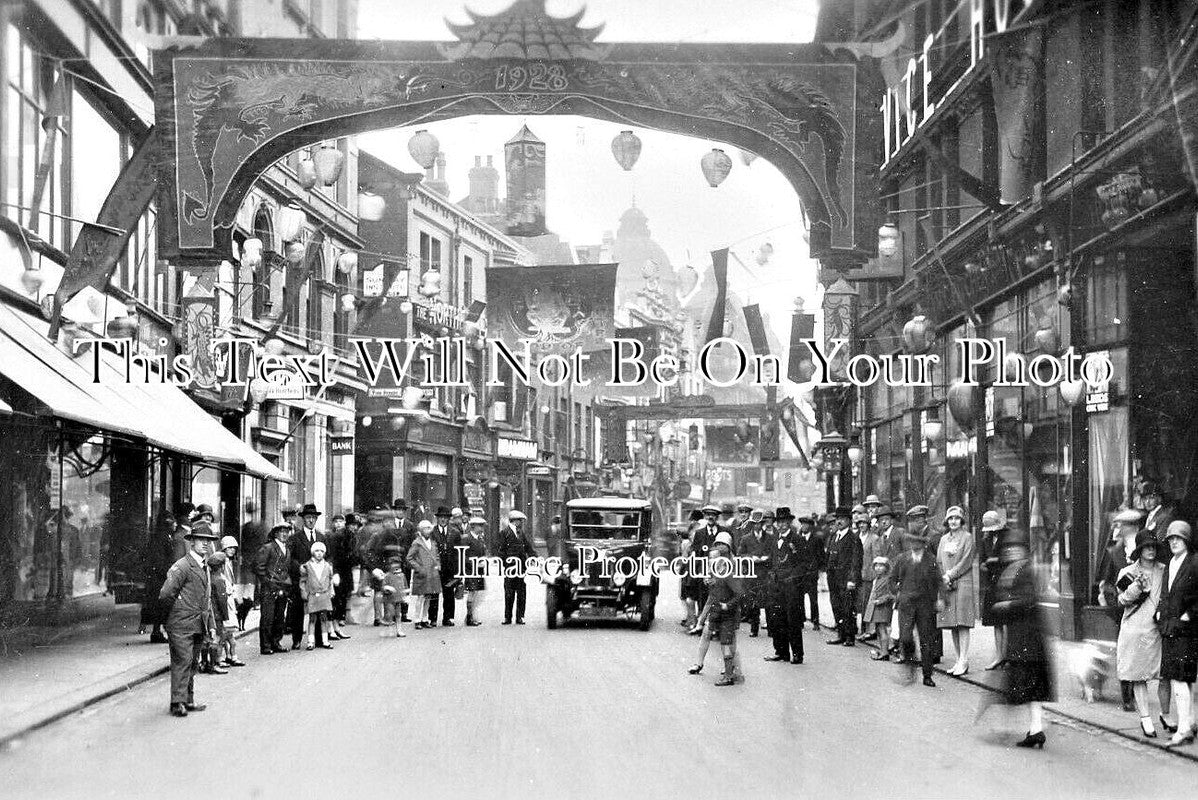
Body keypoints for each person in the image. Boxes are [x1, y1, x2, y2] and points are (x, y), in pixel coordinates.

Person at [988, 526, 1054, 748]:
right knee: (1028, 686)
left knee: (1020, 685)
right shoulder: (1014, 569)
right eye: (1008, 548)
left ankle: (1008, 729)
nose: (1011, 552)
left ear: (1024, 550)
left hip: (1028, 637)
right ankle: (1035, 730)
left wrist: (1005, 605)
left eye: (1015, 548)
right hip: (1023, 637)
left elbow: (1028, 600)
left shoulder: (1025, 570)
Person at [158, 521, 218, 717]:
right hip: (180, 624)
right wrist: (168, 620)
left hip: (198, 623)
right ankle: (177, 702)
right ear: (192, 542)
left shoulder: (205, 566)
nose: (205, 543)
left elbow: (207, 599)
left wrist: (211, 625)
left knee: (192, 662)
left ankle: (188, 700)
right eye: (201, 539)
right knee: (182, 661)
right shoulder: (182, 565)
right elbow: (166, 594)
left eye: (208, 540)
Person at [1116, 530, 1167, 738]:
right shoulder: (1127, 572)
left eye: (1153, 546)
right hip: (1136, 629)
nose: (1151, 550)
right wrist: (1136, 587)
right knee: (1138, 675)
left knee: (1164, 675)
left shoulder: (1164, 570)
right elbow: (1122, 600)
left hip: (1159, 629)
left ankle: (1166, 715)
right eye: (1146, 547)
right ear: (1139, 550)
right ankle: (1145, 718)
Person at [1098, 507, 1148, 710]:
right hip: (1123, 611)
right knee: (1126, 653)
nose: (1118, 529)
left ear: (1133, 527)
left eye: (1122, 525)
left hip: (1145, 609)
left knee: (1141, 653)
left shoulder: (1146, 550)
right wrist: (1116, 602)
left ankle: (1138, 693)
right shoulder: (1114, 553)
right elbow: (1106, 584)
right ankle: (1127, 697)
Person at [1158, 520, 1198, 747]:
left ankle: (1183, 730)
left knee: (1180, 679)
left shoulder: (1194, 563)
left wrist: (1189, 615)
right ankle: (1189, 723)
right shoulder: (1170, 564)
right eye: (1171, 538)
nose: (1174, 542)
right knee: (1180, 678)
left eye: (1178, 538)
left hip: (1187, 630)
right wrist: (1160, 612)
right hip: (1170, 628)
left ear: (1187, 540)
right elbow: (1166, 594)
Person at [892, 528, 943, 688]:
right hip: (906, 605)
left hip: (925, 605)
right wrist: (896, 594)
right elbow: (892, 579)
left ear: (923, 544)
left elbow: (939, 581)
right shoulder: (902, 558)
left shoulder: (930, 559)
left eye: (918, 542)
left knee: (926, 641)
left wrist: (941, 599)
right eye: (912, 541)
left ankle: (927, 675)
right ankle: (910, 665)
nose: (914, 544)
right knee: (905, 638)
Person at [937, 505, 977, 676]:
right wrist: (943, 578)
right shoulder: (944, 539)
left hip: (963, 582)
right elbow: (939, 561)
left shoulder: (968, 537)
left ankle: (964, 659)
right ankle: (958, 659)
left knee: (962, 622)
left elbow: (966, 560)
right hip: (947, 584)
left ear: (962, 521)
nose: (953, 521)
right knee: (952, 623)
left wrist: (950, 575)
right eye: (951, 519)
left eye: (957, 518)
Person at [764, 507, 805, 665]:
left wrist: (793, 578)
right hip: (776, 585)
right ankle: (781, 652)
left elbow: (803, 564)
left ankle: (797, 654)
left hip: (791, 587)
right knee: (777, 619)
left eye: (784, 522)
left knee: (792, 620)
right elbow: (773, 561)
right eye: (778, 522)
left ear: (789, 522)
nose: (781, 525)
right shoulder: (774, 539)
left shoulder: (797, 539)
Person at [707, 532, 746, 686]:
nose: (711, 561)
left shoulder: (729, 571)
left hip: (727, 613)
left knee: (726, 644)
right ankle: (733, 673)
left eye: (714, 558)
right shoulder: (718, 571)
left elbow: (739, 593)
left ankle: (730, 675)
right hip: (719, 613)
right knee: (725, 644)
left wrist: (727, 605)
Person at [287, 503, 327, 649]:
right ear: (303, 519)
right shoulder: (295, 538)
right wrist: (299, 567)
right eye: (308, 517)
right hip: (301, 579)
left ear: (316, 519)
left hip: (318, 580)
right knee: (298, 609)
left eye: (313, 518)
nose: (311, 520)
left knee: (319, 608)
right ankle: (297, 639)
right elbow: (289, 558)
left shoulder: (321, 537)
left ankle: (319, 639)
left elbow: (328, 557)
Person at [825, 506, 863, 646]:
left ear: (849, 521)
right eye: (838, 519)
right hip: (833, 578)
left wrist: (852, 580)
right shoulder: (834, 536)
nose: (839, 522)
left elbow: (856, 561)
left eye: (843, 519)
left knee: (848, 608)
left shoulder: (853, 538)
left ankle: (849, 637)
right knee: (836, 606)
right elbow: (829, 556)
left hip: (846, 579)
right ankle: (840, 634)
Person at [139, 510, 177, 643]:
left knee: (158, 605)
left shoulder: (160, 536)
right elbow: (160, 560)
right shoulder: (162, 538)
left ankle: (157, 631)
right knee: (160, 605)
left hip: (157, 576)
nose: (175, 524)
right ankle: (156, 632)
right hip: (160, 577)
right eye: (173, 522)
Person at [254, 524, 292, 655]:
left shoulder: (287, 549)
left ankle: (276, 642)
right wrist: (268, 582)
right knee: (268, 617)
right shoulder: (268, 547)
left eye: (287, 532)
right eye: (282, 531)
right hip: (269, 588)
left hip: (283, 587)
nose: (285, 534)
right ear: (275, 533)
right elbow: (258, 567)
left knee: (280, 616)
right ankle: (266, 645)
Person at [978, 510, 1008, 670]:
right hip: (993, 583)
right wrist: (985, 565)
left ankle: (1009, 656)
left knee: (1008, 621)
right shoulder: (986, 540)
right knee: (997, 622)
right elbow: (982, 562)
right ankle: (999, 657)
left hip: (1007, 583)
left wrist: (995, 562)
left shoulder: (1008, 537)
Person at [737, 507, 772, 637]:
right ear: (751, 524)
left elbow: (774, 553)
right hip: (751, 574)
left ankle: (771, 629)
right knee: (753, 603)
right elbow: (740, 555)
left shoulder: (770, 538)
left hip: (765, 574)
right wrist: (751, 558)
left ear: (763, 524)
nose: (757, 526)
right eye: (755, 524)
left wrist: (767, 558)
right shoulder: (746, 538)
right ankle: (754, 628)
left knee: (768, 602)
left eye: (760, 523)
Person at [500, 510, 536, 624]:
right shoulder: (504, 533)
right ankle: (508, 617)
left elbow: (528, 547)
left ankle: (520, 617)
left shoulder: (521, 533)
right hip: (510, 568)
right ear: (514, 521)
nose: (521, 523)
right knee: (509, 593)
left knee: (521, 593)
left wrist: (534, 557)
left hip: (521, 567)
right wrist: (505, 564)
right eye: (520, 520)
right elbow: (501, 551)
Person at [299, 540, 336, 650]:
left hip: (324, 595)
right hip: (313, 595)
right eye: (316, 551)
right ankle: (310, 641)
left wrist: (331, 591)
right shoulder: (307, 566)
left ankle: (325, 640)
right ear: (312, 552)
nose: (319, 553)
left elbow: (330, 580)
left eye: (321, 551)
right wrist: (304, 592)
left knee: (324, 618)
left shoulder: (327, 566)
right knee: (312, 619)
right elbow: (303, 581)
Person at [234, 502, 265, 631]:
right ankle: (255, 602)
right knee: (253, 584)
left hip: (251, 560)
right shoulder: (260, 526)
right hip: (254, 560)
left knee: (252, 584)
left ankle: (254, 602)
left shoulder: (248, 527)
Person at [326, 513, 358, 636]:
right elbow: (332, 555)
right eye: (352, 525)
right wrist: (334, 572)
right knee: (335, 600)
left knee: (342, 599)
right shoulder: (336, 536)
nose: (354, 527)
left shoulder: (351, 536)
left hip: (345, 572)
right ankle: (331, 628)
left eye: (356, 525)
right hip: (338, 572)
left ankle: (336, 627)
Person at [856, 505, 884, 641]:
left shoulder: (874, 538)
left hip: (868, 575)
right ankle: (862, 629)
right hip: (857, 575)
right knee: (859, 604)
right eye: (860, 523)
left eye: (864, 523)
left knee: (867, 603)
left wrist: (875, 576)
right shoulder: (857, 537)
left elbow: (876, 558)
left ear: (868, 525)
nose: (862, 526)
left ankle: (867, 630)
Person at [199, 551, 229, 675]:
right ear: (221, 566)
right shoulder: (219, 580)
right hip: (216, 615)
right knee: (216, 639)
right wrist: (225, 616)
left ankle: (204, 663)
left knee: (206, 639)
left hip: (207, 612)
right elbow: (222, 600)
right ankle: (214, 664)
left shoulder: (208, 577)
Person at [431, 506, 462, 627]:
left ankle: (448, 617)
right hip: (436, 567)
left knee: (449, 594)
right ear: (437, 518)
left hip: (450, 568)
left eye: (445, 517)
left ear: (449, 519)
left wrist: (459, 572)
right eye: (441, 517)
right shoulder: (432, 532)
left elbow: (458, 553)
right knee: (434, 593)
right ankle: (432, 618)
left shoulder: (455, 532)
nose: (443, 519)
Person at [407, 520, 441, 629]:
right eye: (426, 528)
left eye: (429, 528)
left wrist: (438, 565)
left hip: (432, 573)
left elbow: (436, 556)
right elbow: (409, 558)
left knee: (428, 596)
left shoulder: (433, 542)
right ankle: (417, 620)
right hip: (422, 574)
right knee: (420, 597)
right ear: (421, 530)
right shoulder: (417, 543)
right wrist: (418, 568)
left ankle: (425, 619)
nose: (428, 531)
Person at [793, 513, 824, 630]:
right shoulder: (796, 539)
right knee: (799, 598)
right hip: (800, 573)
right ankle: (801, 620)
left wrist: (818, 570)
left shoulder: (816, 540)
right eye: (802, 524)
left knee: (813, 599)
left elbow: (821, 556)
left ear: (810, 526)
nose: (804, 526)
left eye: (806, 524)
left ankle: (815, 621)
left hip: (811, 573)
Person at [865, 556, 896, 660]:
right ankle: (882, 650)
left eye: (881, 566)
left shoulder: (888, 580)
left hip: (883, 607)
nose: (878, 568)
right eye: (876, 566)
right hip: (876, 607)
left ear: (886, 568)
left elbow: (892, 595)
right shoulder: (877, 579)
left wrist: (881, 600)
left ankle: (885, 652)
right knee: (878, 629)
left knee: (882, 629)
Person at [461, 516, 489, 626]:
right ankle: (469, 617)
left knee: (477, 593)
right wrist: (473, 563)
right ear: (473, 526)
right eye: (479, 526)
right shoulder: (466, 539)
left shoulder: (480, 539)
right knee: (472, 592)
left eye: (482, 526)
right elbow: (462, 555)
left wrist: (484, 560)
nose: (481, 528)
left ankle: (472, 615)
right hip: (470, 570)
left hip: (479, 570)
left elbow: (482, 553)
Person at [377, 555, 409, 637]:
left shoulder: (402, 575)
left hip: (398, 599)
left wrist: (406, 594)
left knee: (398, 615)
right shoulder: (387, 576)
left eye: (397, 563)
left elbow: (405, 586)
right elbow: (383, 587)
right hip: (389, 599)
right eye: (393, 564)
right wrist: (387, 588)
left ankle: (399, 630)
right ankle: (388, 629)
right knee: (390, 614)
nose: (395, 566)